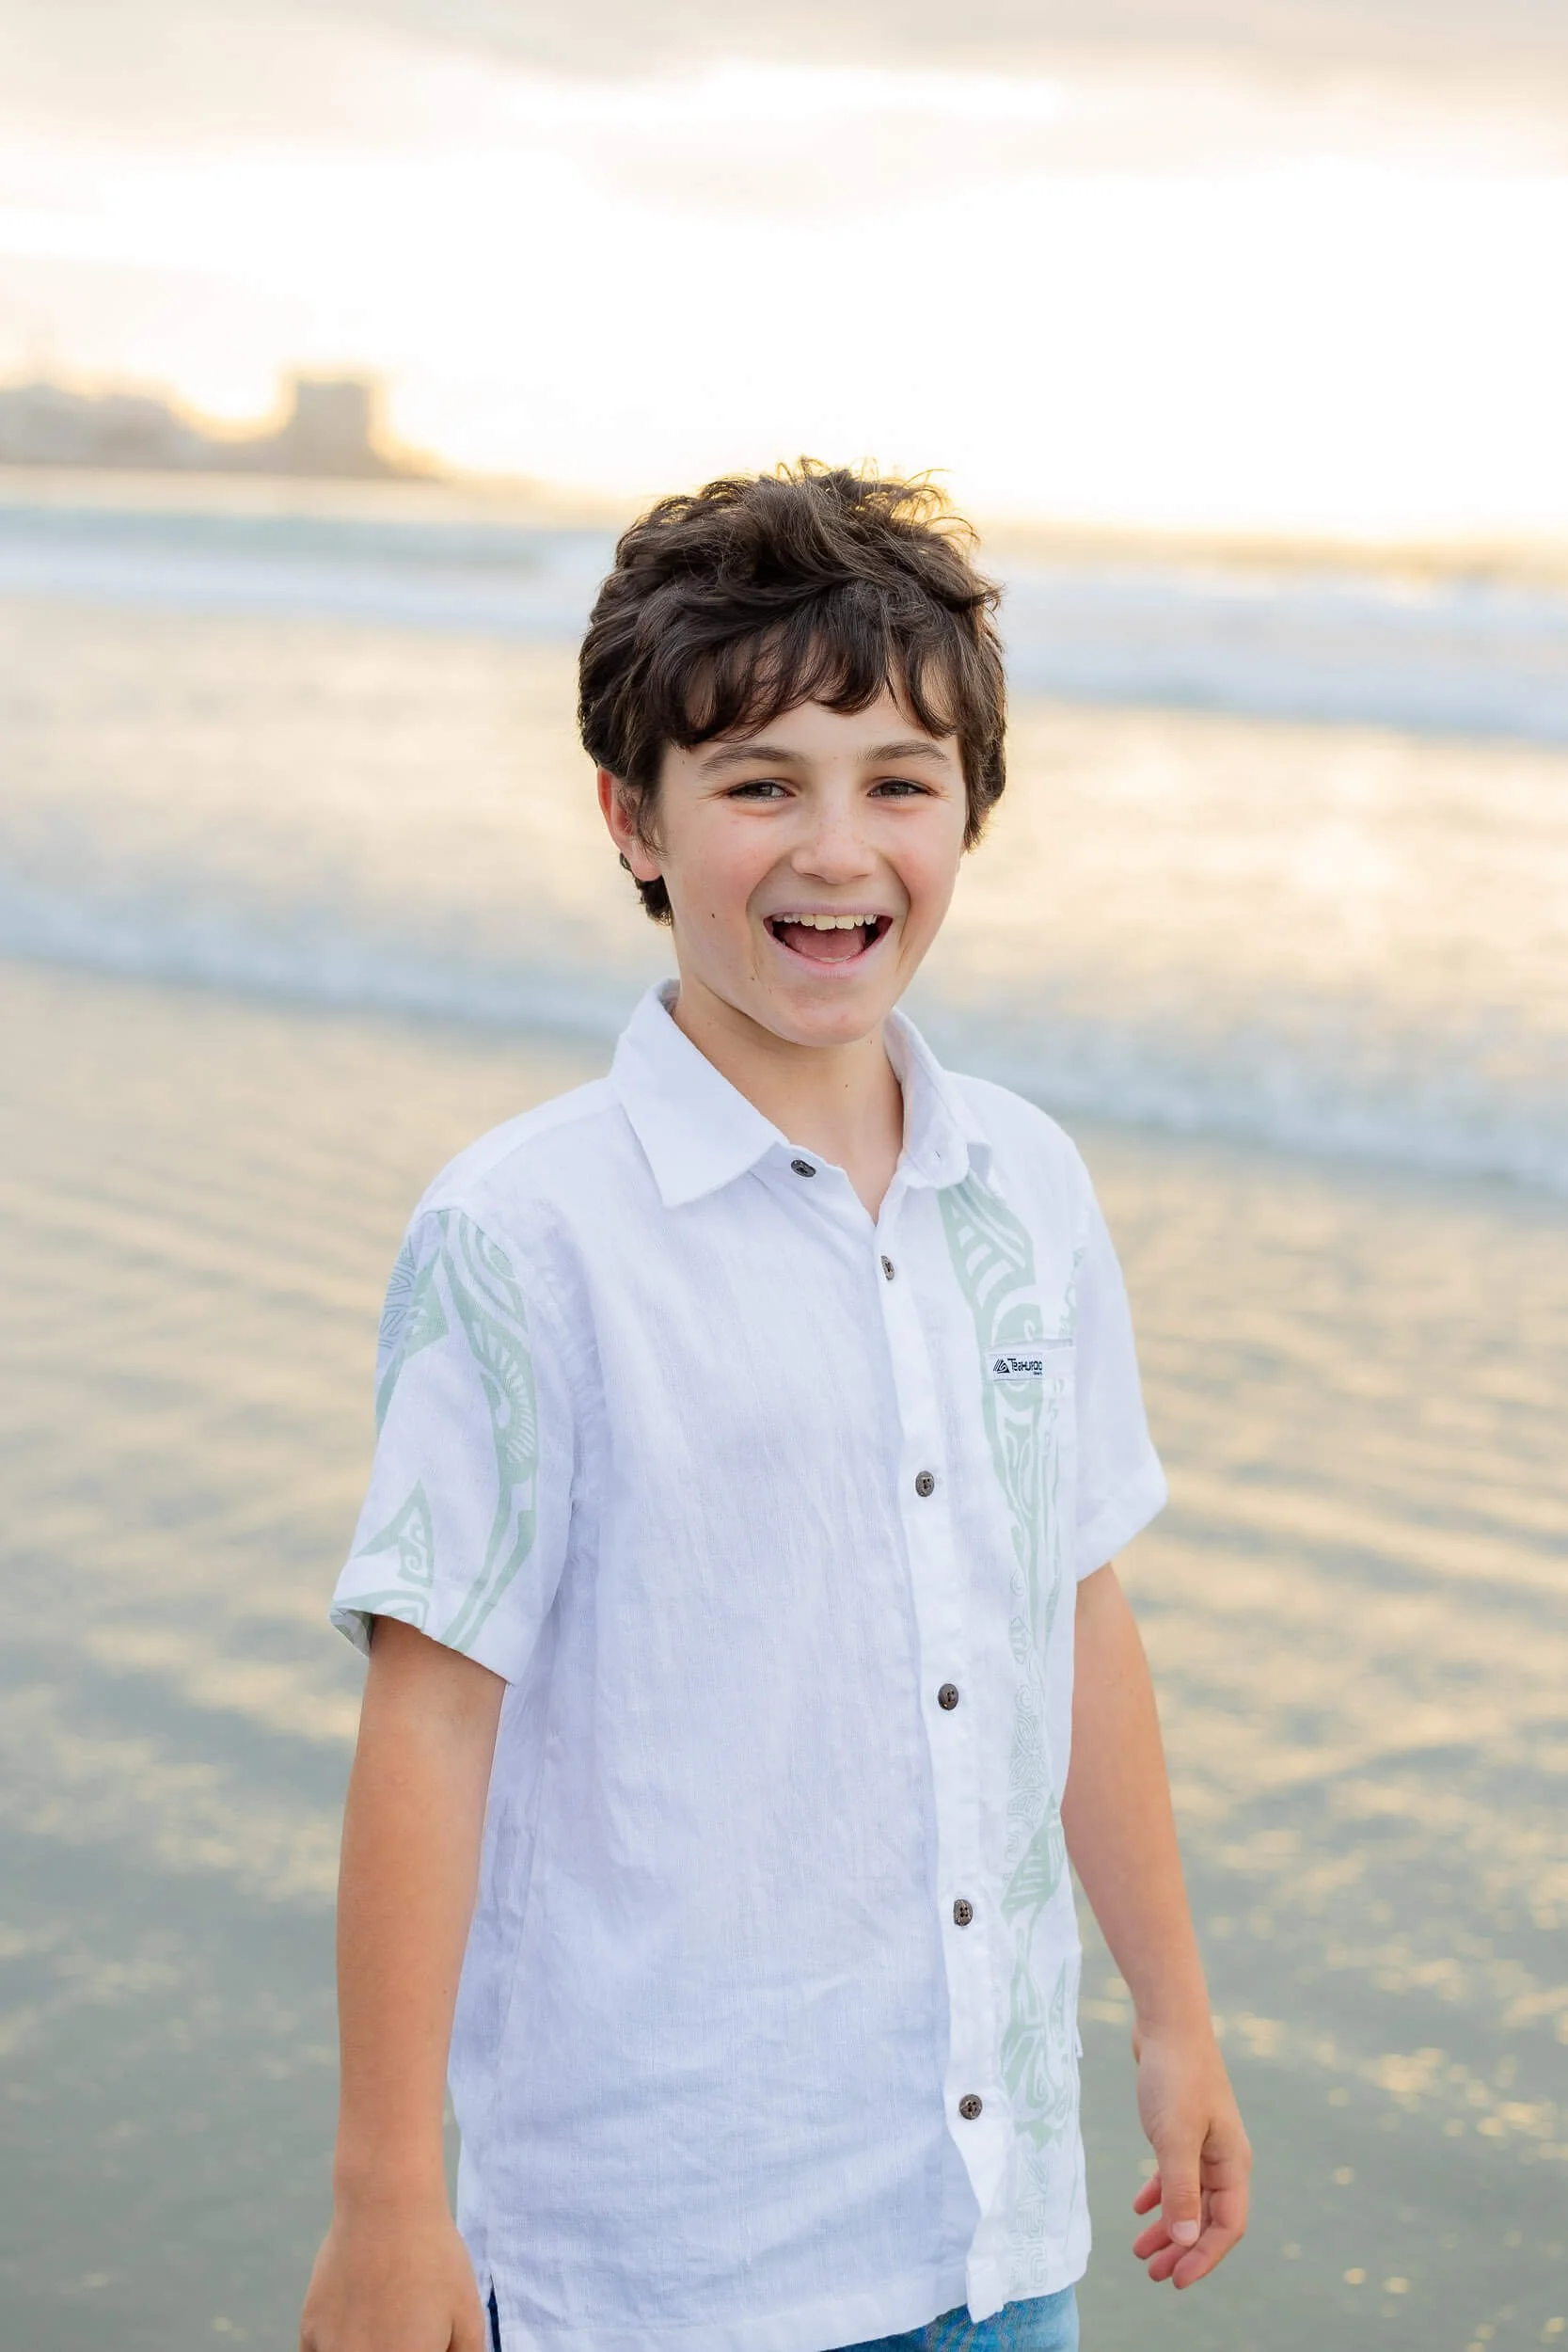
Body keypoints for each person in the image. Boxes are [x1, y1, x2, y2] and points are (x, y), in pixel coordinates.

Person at [300, 464, 1250, 2352]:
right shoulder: (526, 1232)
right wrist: (389, 2198)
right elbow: (429, 1711)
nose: (837, 845)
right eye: (757, 783)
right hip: (664, 2253)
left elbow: (1070, 1606)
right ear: (630, 821)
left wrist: (1172, 2007)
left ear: (970, 807)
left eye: (897, 779)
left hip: (989, 2230)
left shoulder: (1026, 1189)